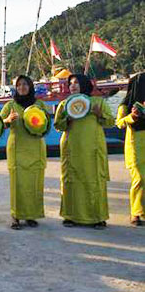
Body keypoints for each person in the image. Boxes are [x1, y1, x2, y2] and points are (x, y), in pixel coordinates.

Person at [54, 74, 114, 229]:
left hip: (92, 148)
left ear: (85, 85)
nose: (73, 86)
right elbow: (57, 125)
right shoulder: (65, 104)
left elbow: (110, 122)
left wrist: (98, 114)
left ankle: (98, 217)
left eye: (77, 83)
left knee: (94, 180)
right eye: (71, 83)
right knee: (71, 180)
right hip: (71, 147)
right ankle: (70, 216)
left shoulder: (98, 102)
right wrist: (67, 119)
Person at [0, 75, 48, 230]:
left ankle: (31, 215)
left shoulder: (39, 104)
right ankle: (16, 216)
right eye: (19, 85)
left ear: (30, 86)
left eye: (25, 84)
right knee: (17, 184)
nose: (22, 87)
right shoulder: (10, 105)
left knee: (34, 183)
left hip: (35, 148)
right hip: (17, 149)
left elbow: (47, 125)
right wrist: (7, 120)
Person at [117, 73, 145, 226]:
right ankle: (136, 212)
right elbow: (120, 123)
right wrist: (132, 117)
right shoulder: (126, 105)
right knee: (139, 178)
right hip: (135, 146)